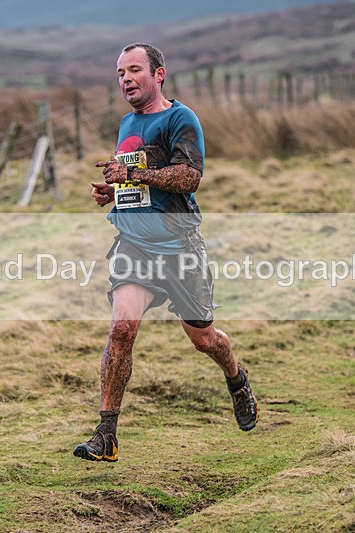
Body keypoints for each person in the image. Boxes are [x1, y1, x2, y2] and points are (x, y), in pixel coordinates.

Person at [73, 43, 257, 463]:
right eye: (120, 73)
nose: (125, 79)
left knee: (204, 338)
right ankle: (106, 435)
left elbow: (189, 177)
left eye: (134, 70)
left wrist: (132, 173)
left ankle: (236, 378)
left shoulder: (181, 118)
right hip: (134, 244)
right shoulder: (126, 122)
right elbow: (139, 186)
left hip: (179, 247)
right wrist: (114, 191)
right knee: (122, 329)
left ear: (158, 75)